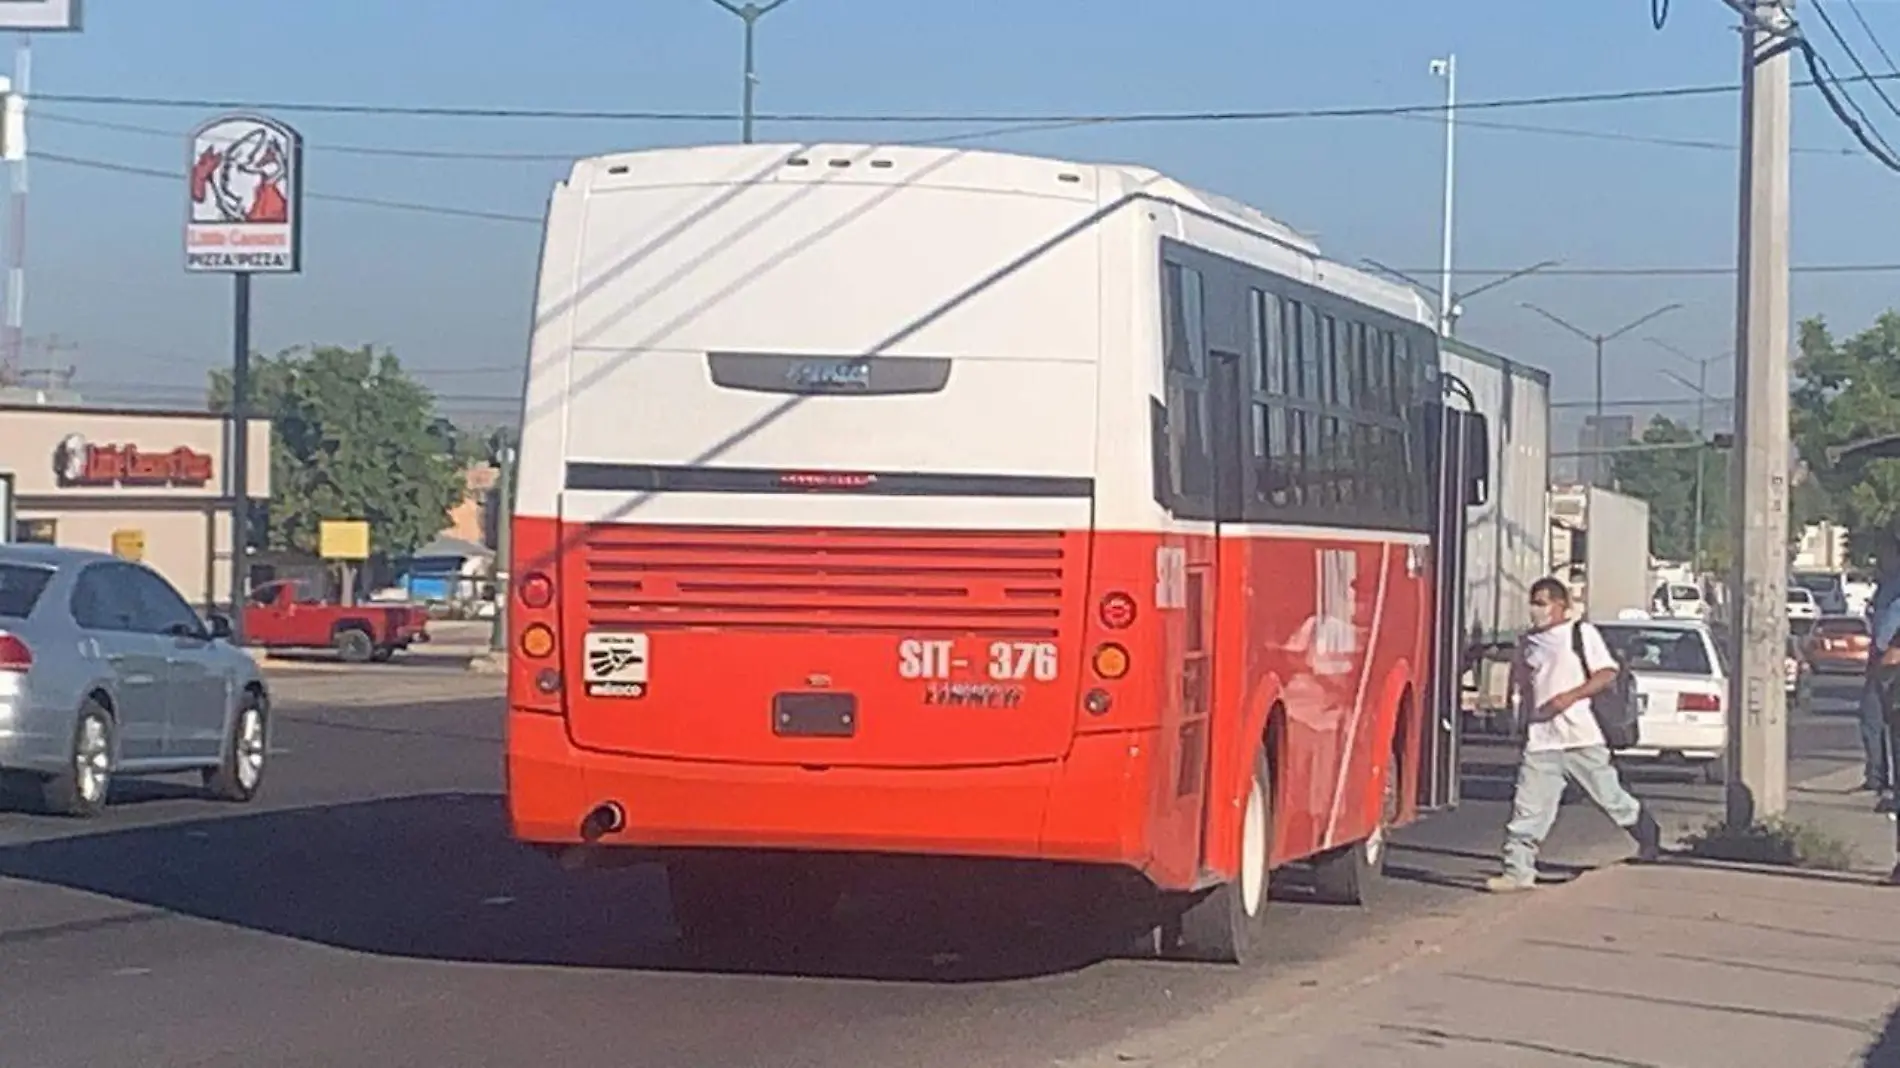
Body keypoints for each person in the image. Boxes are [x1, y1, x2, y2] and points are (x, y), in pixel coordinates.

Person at [1487, 577, 1663, 893]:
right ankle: (1517, 870)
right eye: (1534, 602)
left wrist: (1571, 696)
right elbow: (1526, 685)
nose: (1536, 610)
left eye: (1543, 603)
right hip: (1542, 739)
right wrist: (1519, 719)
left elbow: (1607, 673)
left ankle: (1649, 838)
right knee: (1528, 809)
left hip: (1581, 737)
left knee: (1612, 799)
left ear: (1561, 606)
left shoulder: (1580, 634)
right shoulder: (1528, 642)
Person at [1859, 530, 1900, 809]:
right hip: (1881, 658)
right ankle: (1878, 775)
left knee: (1889, 723)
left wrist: (1889, 647)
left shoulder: (1897, 585)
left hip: (1893, 661)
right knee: (1871, 717)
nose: (1880, 558)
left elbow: (1892, 617)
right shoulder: (1886, 584)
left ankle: (1884, 779)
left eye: (1884, 552)